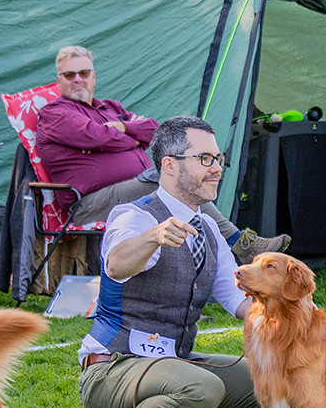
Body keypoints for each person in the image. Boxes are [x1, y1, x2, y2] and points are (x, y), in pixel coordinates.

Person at [78, 116, 265, 408]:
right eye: (204, 159)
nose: (216, 168)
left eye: (218, 159)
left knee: (279, 386)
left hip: (173, 364)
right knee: (201, 388)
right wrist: (153, 237)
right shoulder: (134, 216)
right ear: (169, 165)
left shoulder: (208, 227)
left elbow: (241, 302)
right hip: (111, 368)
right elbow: (116, 264)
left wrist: (299, 314)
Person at [34, 46, 289, 264]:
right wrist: (128, 137)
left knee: (180, 186)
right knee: (169, 175)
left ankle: (215, 269)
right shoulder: (54, 114)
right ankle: (239, 243)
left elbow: (153, 131)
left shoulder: (110, 108)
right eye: (69, 74)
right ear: (59, 80)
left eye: (84, 73)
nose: (77, 79)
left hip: (134, 190)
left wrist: (122, 128)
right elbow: (95, 136)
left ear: (93, 77)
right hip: (90, 203)